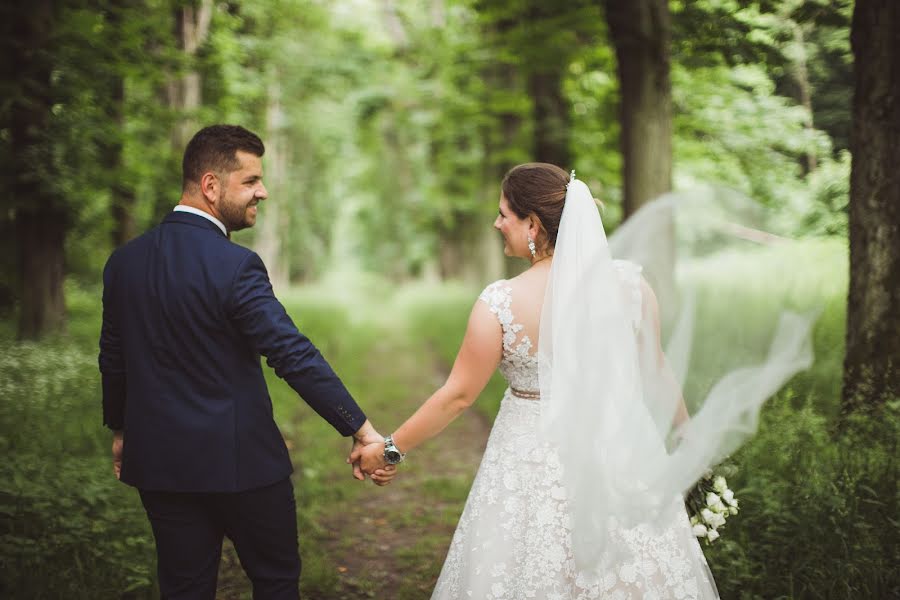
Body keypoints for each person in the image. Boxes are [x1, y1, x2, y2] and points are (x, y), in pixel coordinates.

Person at [355, 161, 812, 598]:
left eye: (503, 214)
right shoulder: (631, 287)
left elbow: (457, 396)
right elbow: (656, 371)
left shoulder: (500, 302)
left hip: (527, 451)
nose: (497, 224)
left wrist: (390, 449)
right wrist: (689, 441)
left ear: (533, 225)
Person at [98, 124, 394, 600]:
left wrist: (121, 430)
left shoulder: (124, 262)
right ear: (211, 185)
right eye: (251, 181)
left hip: (159, 464)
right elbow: (291, 354)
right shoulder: (235, 266)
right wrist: (360, 429)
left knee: (184, 588)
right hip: (244, 466)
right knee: (275, 583)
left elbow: (114, 359)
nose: (264, 191)